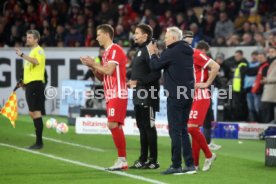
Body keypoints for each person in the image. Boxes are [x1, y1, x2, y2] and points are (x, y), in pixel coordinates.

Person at [148, 26, 196, 175]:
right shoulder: (187, 50)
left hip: (176, 96)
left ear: (174, 38)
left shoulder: (172, 51)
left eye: (167, 37)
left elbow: (155, 66)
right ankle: (189, 164)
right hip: (188, 95)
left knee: (175, 131)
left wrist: (153, 54)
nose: (164, 39)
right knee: (183, 129)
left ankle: (176, 165)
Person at [80, 24, 128, 171]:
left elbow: (109, 69)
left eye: (99, 34)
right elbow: (102, 76)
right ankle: (122, 160)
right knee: (116, 126)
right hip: (109, 93)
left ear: (107, 34)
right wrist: (92, 67)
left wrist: (94, 63)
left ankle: (122, 159)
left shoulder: (115, 49)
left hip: (117, 92)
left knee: (112, 125)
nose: (96, 37)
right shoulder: (107, 53)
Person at [127, 24, 161, 169]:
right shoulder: (140, 50)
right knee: (141, 127)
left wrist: (139, 82)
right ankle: (142, 159)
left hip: (148, 95)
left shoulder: (150, 49)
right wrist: (131, 81)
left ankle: (153, 160)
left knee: (149, 127)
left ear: (145, 35)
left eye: (137, 33)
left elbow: (156, 73)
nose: (134, 35)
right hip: (139, 94)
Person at [187, 41, 220, 171]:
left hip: (201, 95)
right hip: (191, 95)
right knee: (194, 130)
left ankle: (209, 155)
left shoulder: (196, 54)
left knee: (191, 128)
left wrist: (206, 83)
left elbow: (216, 66)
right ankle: (195, 165)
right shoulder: (184, 56)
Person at [15, 30, 46, 149]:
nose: (27, 39)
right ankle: (39, 142)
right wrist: (23, 82)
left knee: (35, 112)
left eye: (30, 38)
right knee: (33, 112)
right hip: (30, 85)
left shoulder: (38, 50)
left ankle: (39, 143)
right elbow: (29, 70)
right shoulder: (32, 51)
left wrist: (22, 55)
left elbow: (36, 62)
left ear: (36, 39)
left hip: (36, 85)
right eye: (27, 37)